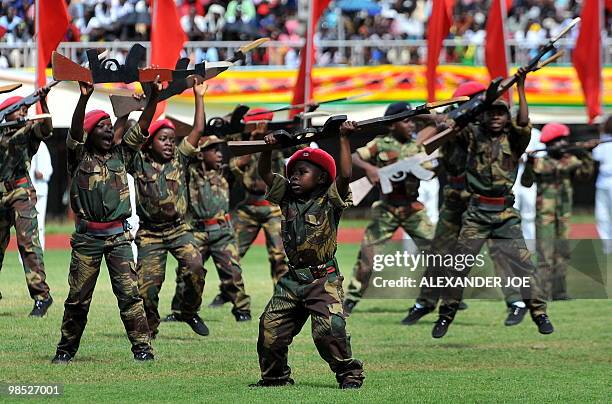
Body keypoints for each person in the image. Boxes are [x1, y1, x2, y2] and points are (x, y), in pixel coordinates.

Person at [433, 68, 554, 338]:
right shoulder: (473, 135)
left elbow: (523, 120)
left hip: (504, 213)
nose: (496, 117)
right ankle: (445, 316)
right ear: (484, 114)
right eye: (491, 112)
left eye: (501, 112)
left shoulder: (515, 138)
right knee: (458, 266)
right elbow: (451, 125)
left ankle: (540, 313)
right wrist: (469, 109)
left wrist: (520, 87)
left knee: (524, 264)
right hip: (476, 212)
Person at [52, 79, 160, 364]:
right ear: (89, 134)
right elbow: (74, 132)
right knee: (77, 300)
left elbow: (143, 127)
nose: (109, 128)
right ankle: (65, 350)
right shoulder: (78, 158)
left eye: (110, 125)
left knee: (130, 296)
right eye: (101, 126)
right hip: (88, 239)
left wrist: (154, 98)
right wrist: (83, 99)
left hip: (119, 239)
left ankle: (143, 349)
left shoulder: (121, 155)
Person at [251, 121, 364, 389]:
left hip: (323, 280)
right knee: (270, 328)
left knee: (329, 332)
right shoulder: (287, 197)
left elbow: (346, 175)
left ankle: (349, 375)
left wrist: (344, 138)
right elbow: (265, 173)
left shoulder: (330, 198)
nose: (294, 177)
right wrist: (267, 149)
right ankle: (275, 378)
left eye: (302, 172)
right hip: (292, 281)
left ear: (322, 178)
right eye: (292, 173)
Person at [132, 81, 209, 338]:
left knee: (196, 267)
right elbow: (132, 135)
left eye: (172, 140)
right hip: (150, 233)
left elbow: (198, 128)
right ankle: (150, 329)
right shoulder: (138, 161)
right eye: (163, 139)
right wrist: (142, 105)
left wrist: (199, 96)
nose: (168, 144)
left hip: (178, 230)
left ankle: (188, 311)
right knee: (146, 288)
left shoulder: (180, 158)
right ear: (150, 142)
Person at [344, 102, 435, 313]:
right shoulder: (380, 144)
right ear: (392, 125)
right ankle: (351, 299)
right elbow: (355, 157)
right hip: (387, 208)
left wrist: (416, 167)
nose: (411, 125)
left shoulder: (417, 146)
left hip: (412, 207)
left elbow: (431, 170)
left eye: (413, 120)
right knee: (368, 256)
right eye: (406, 121)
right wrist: (371, 170)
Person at [165, 135, 251, 322]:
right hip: (197, 232)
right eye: (213, 150)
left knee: (233, 272)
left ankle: (242, 310)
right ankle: (180, 311)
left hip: (223, 233)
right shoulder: (188, 172)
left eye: (219, 149)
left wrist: (254, 137)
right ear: (201, 155)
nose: (219, 154)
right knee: (186, 272)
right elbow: (180, 156)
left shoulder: (226, 172)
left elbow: (244, 160)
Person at [208, 108, 288, 308]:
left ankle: (283, 298)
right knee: (230, 252)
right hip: (248, 206)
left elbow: (301, 146)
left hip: (274, 207)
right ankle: (228, 292)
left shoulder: (279, 142)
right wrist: (253, 141)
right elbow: (235, 168)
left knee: (279, 256)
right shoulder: (243, 141)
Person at [522, 123, 594, 300]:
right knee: (545, 255)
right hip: (545, 215)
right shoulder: (540, 161)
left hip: (564, 215)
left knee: (562, 253)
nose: (562, 144)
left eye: (564, 140)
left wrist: (585, 154)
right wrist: (529, 165)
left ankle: (559, 292)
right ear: (549, 143)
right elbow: (526, 182)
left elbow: (585, 176)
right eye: (558, 141)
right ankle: (541, 293)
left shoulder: (570, 160)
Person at [0, 89, 53, 317]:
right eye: (19, 109)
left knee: (28, 243)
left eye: (25, 108)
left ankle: (42, 297)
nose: (24, 112)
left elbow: (46, 129)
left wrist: (43, 102)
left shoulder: (28, 130)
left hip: (21, 191)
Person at [29, 140, 53, 249]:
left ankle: (40, 253)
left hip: (40, 191)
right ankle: (24, 259)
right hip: (26, 191)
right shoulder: (24, 142)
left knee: (39, 225)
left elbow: (49, 169)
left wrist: (42, 174)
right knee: (25, 226)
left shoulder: (42, 146)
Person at [593, 115, 612, 255]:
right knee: (602, 214)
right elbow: (596, 155)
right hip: (603, 181)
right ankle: (607, 246)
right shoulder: (604, 140)